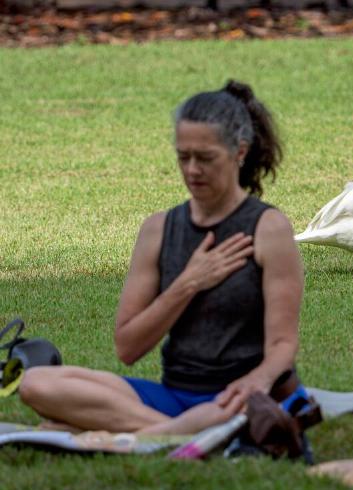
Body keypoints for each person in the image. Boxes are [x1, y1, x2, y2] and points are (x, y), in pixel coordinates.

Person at [19, 80, 305, 436]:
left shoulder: (268, 228)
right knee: (35, 383)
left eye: (205, 158)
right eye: (183, 157)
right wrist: (188, 283)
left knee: (240, 409)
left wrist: (256, 381)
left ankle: (141, 432)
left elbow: (283, 345)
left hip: (238, 396)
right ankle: (181, 431)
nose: (192, 170)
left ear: (239, 152)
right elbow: (128, 347)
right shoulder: (158, 229)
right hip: (173, 396)